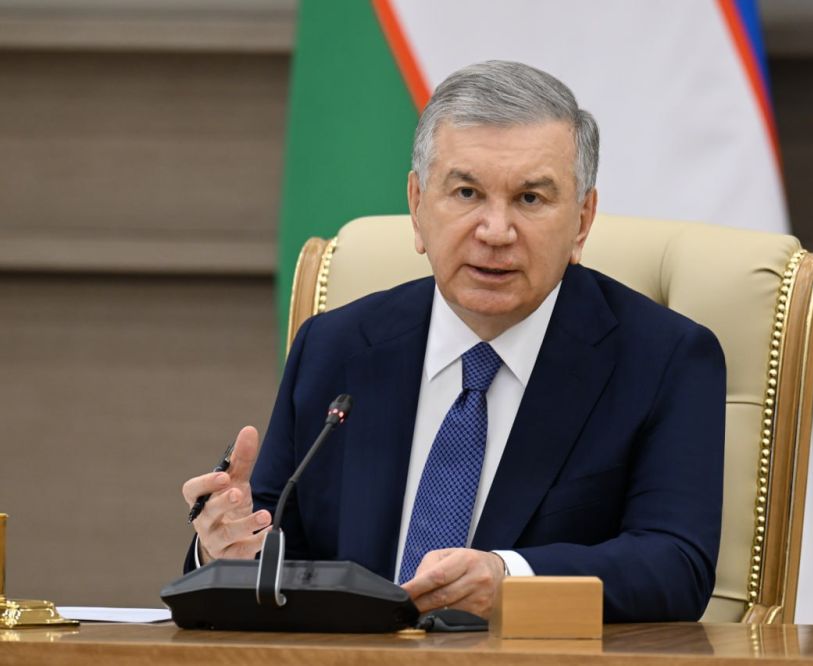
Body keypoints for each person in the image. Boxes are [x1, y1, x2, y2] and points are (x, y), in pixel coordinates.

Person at [181, 60, 725, 622]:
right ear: (417, 205)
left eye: (530, 199)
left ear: (582, 221)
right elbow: (276, 541)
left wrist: (511, 579)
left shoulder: (664, 359)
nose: (496, 231)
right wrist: (226, 550)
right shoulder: (335, 347)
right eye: (467, 193)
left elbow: (676, 565)